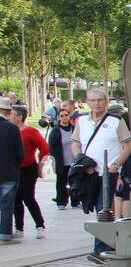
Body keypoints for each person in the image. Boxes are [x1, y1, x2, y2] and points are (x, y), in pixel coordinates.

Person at [71, 87, 131, 265]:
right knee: (93, 206)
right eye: (92, 100)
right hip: (88, 173)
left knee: (103, 208)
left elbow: (128, 146)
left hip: (108, 173)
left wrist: (115, 166)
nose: (96, 104)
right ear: (87, 102)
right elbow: (75, 144)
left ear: (106, 101)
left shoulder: (115, 121)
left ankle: (100, 249)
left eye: (99, 100)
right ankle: (109, 244)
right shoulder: (82, 121)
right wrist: (81, 161)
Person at [11, 106, 49, 239]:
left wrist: (41, 163)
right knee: (15, 199)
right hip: (14, 169)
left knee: (28, 198)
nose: (9, 116)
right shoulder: (11, 131)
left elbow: (44, 147)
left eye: (12, 114)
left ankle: (40, 226)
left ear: (19, 116)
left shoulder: (30, 131)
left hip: (28, 168)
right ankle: (19, 228)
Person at [0, 97, 23, 244]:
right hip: (9, 172)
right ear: (8, 111)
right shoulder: (12, 128)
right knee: (7, 205)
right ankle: (5, 234)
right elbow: (20, 154)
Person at [47, 106, 76, 208]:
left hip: (74, 160)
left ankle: (75, 202)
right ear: (58, 118)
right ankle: (61, 202)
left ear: (69, 116)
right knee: (61, 182)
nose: (64, 117)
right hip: (61, 161)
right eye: (61, 116)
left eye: (66, 115)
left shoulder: (74, 128)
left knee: (74, 181)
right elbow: (51, 146)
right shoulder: (56, 131)